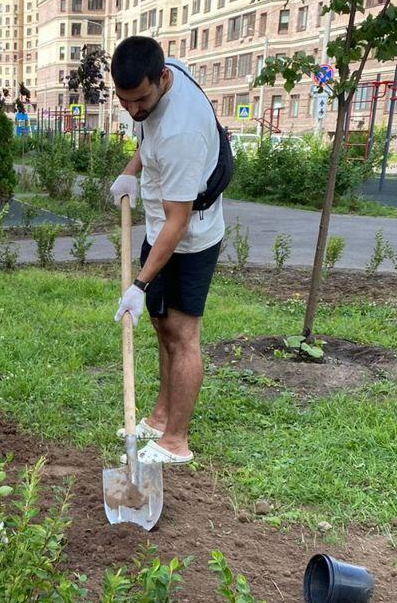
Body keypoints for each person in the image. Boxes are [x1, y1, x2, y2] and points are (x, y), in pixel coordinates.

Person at [109, 36, 226, 465]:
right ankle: (159, 416)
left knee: (183, 334)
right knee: (162, 325)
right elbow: (147, 137)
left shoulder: (183, 132)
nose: (134, 110)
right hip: (161, 224)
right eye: (124, 101)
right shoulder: (160, 73)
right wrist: (130, 171)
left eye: (141, 100)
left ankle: (176, 440)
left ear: (162, 79)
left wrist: (139, 284)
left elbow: (178, 223)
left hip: (189, 238)